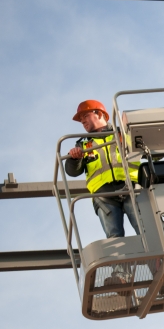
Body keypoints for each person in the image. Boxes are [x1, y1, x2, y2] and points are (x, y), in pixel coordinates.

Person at [64, 100, 141, 239]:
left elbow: (151, 153)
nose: (82, 121)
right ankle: (119, 262)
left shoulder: (123, 134)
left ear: (99, 114)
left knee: (146, 231)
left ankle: (158, 260)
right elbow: (73, 172)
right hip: (103, 195)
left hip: (132, 188)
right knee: (114, 238)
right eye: (81, 119)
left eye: (85, 116)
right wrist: (74, 158)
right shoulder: (83, 144)